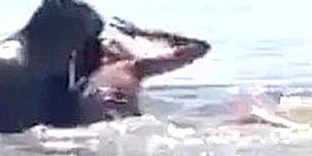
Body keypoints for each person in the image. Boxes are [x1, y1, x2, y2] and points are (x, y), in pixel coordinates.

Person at [74, 17, 211, 122]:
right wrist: (143, 34)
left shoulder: (83, 80)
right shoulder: (131, 67)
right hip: (122, 124)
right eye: (115, 43)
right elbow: (198, 48)